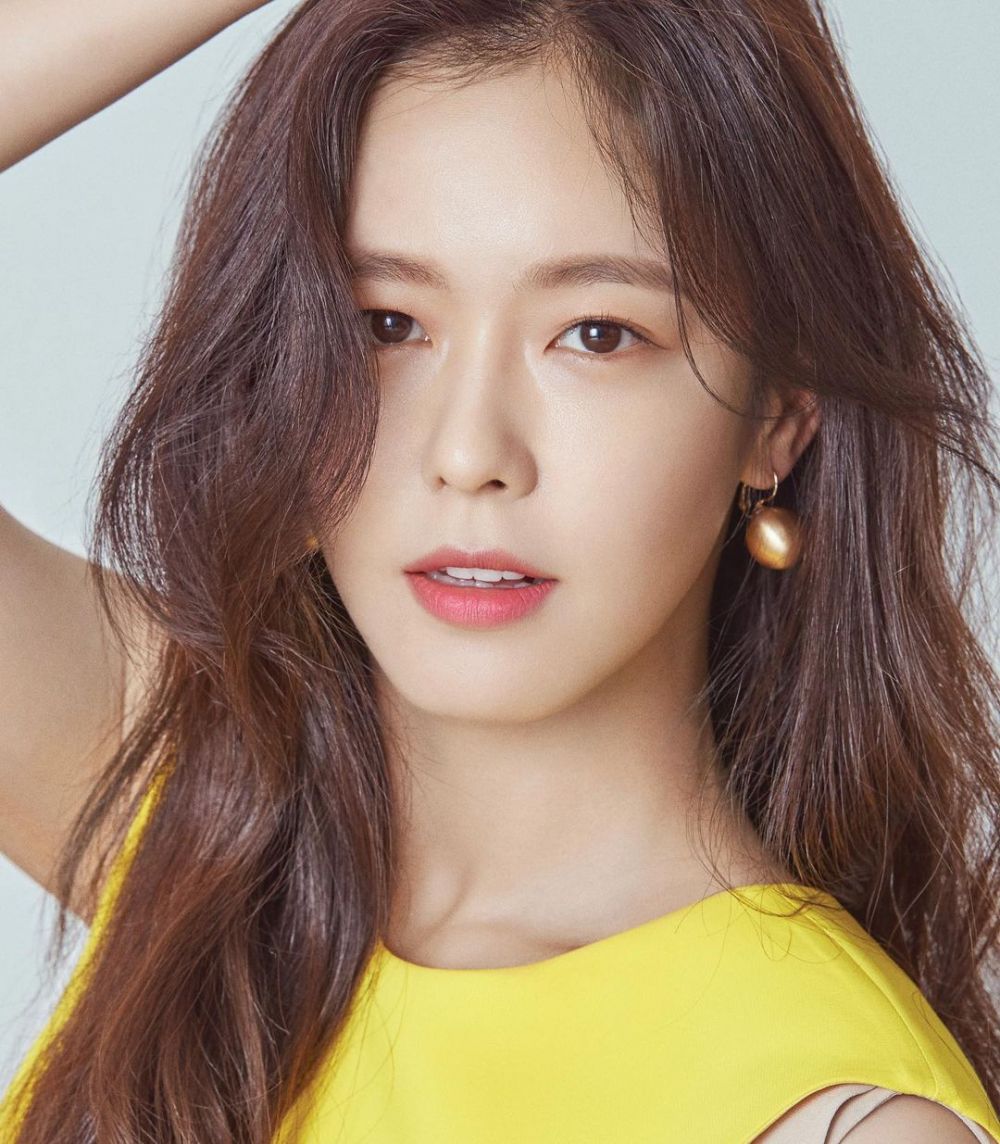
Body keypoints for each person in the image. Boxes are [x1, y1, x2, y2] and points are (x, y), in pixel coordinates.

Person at [1, 0, 998, 1140]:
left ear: (777, 417)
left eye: (597, 334)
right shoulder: (206, 835)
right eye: (386, 325)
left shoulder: (842, 1120)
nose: (469, 451)